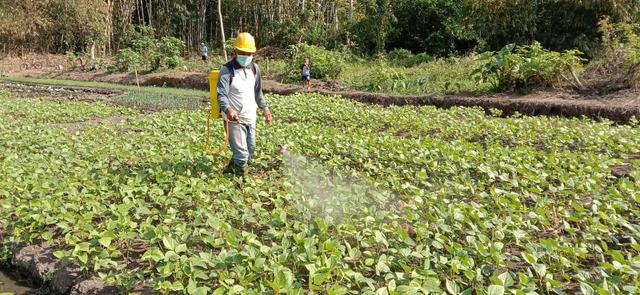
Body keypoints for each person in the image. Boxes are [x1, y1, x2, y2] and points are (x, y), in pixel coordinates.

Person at [217, 32, 273, 176]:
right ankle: (240, 183)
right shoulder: (226, 70)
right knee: (242, 155)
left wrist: (265, 109)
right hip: (233, 119)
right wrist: (228, 109)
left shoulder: (255, 69)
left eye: (249, 53)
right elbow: (221, 95)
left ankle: (229, 170)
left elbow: (258, 92)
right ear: (235, 51)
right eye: (242, 52)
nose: (246, 56)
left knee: (250, 150)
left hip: (250, 117)